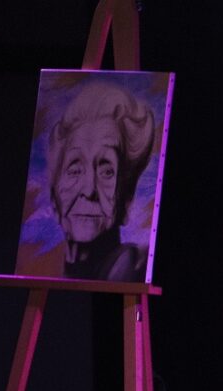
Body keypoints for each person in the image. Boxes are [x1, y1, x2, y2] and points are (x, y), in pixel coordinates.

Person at [47, 81, 155, 281]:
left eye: (106, 172)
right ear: (55, 200)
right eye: (75, 170)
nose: (89, 190)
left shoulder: (135, 270)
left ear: (127, 200)